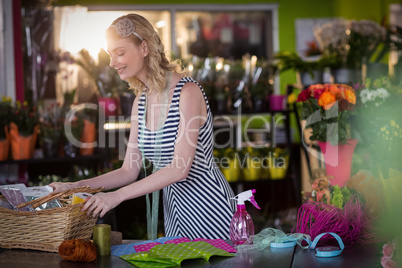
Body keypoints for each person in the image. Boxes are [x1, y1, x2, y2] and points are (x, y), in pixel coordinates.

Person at [50, 13, 235, 240]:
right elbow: (129, 171)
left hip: (210, 211)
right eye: (111, 54)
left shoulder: (188, 92)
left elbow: (180, 168)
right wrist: (75, 187)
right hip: (176, 214)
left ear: (144, 48)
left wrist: (116, 197)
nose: (112, 62)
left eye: (120, 53)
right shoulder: (141, 101)